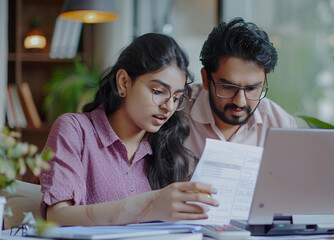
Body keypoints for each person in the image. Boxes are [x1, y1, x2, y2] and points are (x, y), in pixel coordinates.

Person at [39, 33, 219, 226]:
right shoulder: (75, 130)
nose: (168, 107)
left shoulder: (168, 148)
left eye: (176, 98)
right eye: (158, 92)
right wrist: (149, 206)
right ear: (124, 82)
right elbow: (57, 216)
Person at [184, 17, 297, 158]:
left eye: (252, 89)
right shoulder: (175, 113)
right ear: (206, 79)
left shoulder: (280, 125)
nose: (240, 102)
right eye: (228, 87)